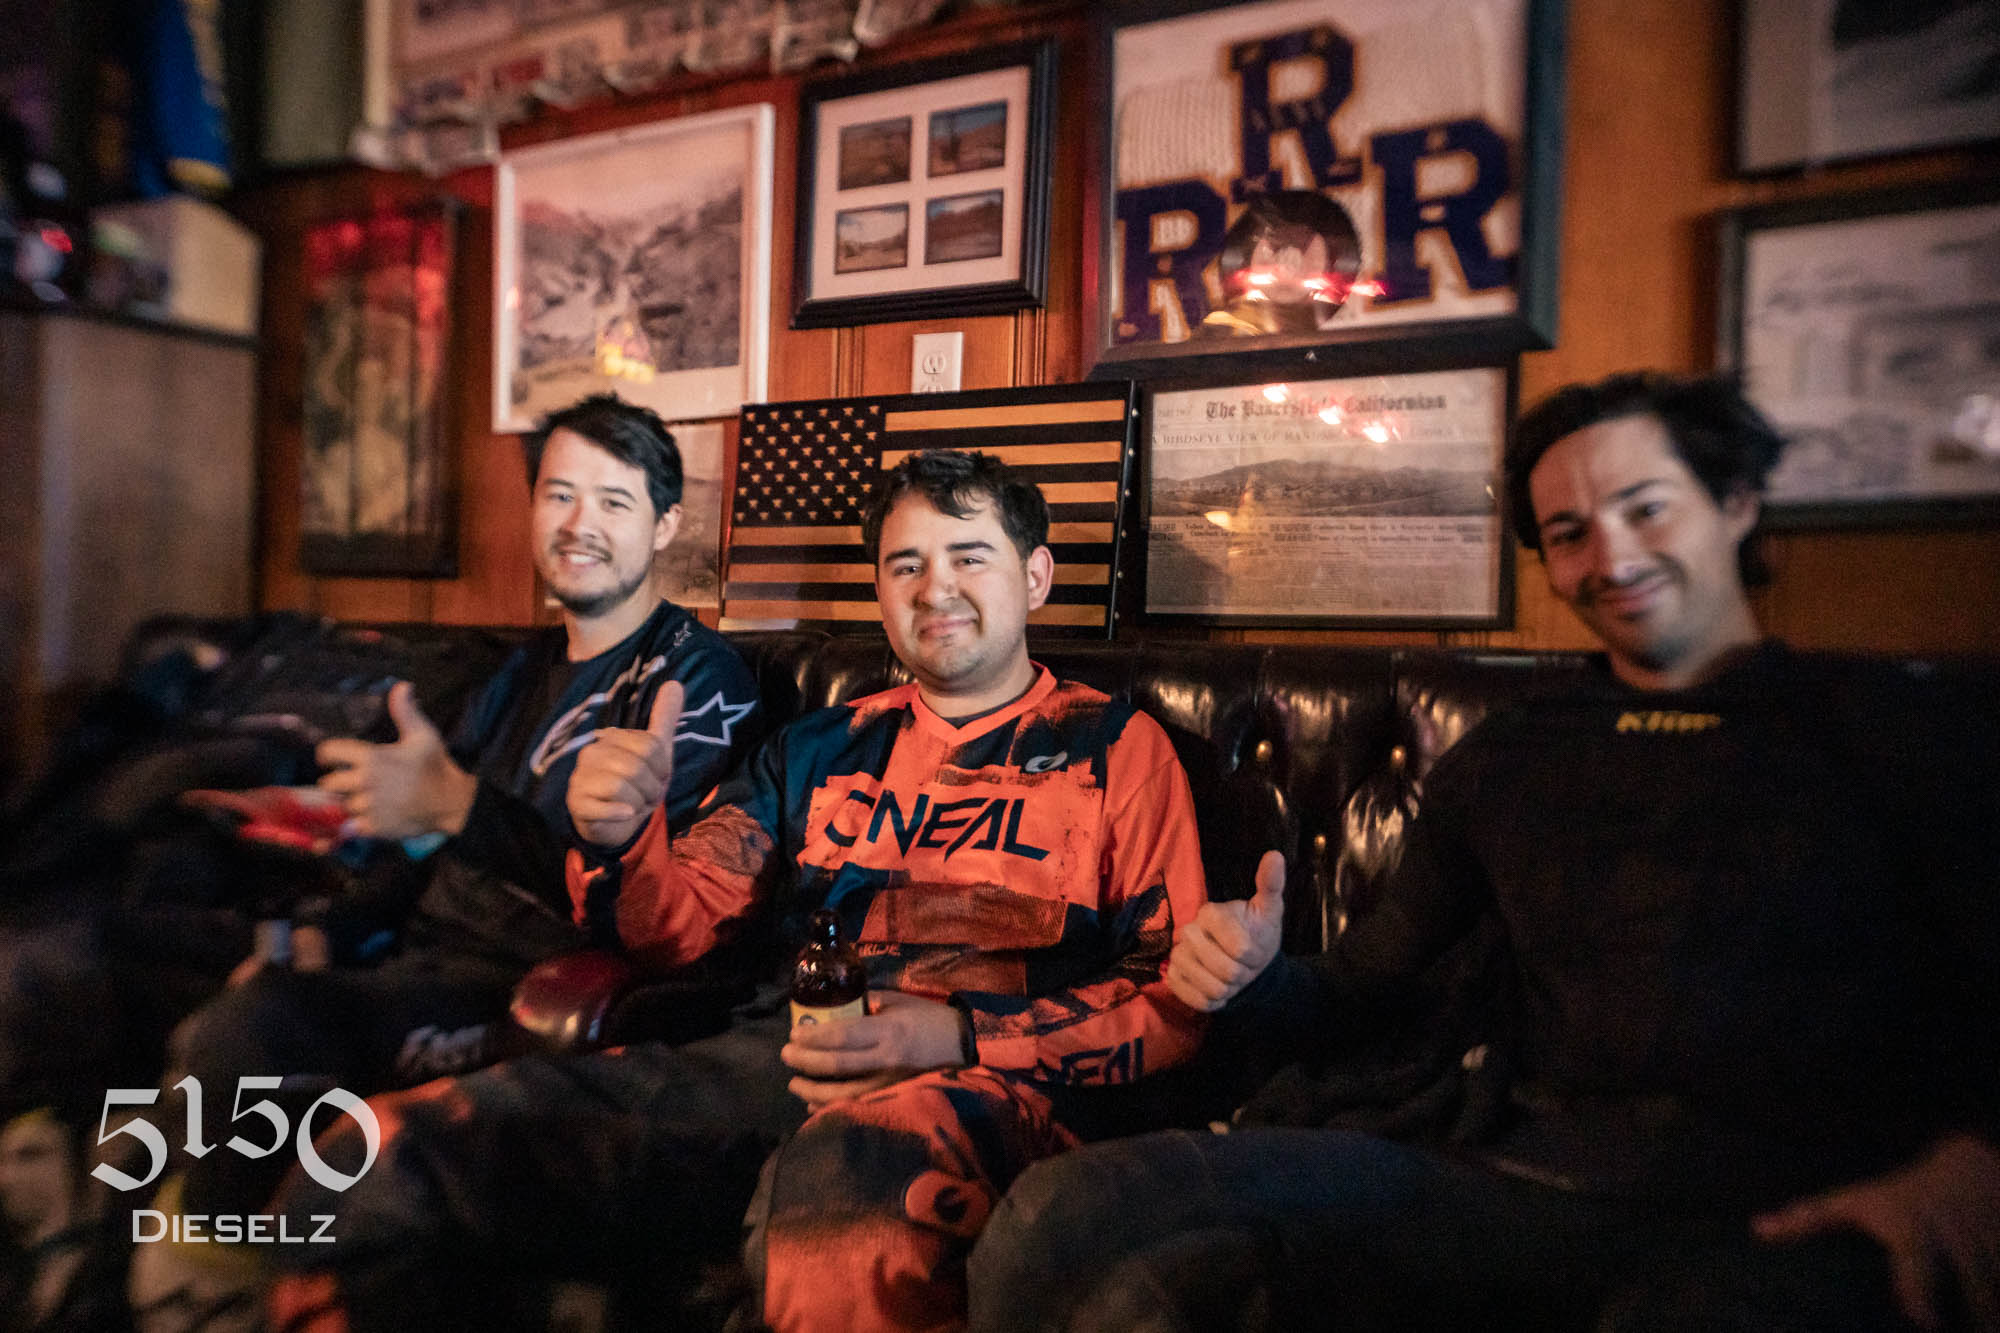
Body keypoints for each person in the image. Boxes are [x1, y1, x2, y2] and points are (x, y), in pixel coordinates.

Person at [966, 372, 2000, 1332]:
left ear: (1733, 503)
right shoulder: (1512, 756)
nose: (1611, 558)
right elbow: (1363, 987)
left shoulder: (1888, 730)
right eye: (1569, 533)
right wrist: (1252, 974)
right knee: (1066, 1215)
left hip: (1781, 1197)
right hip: (1502, 1169)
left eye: (1646, 509)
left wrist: (1975, 1160)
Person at [265, 449, 1211, 1332]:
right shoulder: (818, 748)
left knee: (837, 1222)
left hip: (993, 1099)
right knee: (370, 1154)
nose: (936, 588)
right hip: (773, 1072)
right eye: (906, 565)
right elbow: (678, 932)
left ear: (1035, 577)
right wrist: (629, 838)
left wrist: (959, 1034)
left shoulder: (1118, 749)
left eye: (969, 557)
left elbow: (1173, 1004)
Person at [167, 392, 761, 1216]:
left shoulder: (692, 680)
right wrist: (326, 931)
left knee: (254, 1031)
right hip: (415, 956)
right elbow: (429, 845)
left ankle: (209, 1262)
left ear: (664, 526)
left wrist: (461, 806)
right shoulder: (516, 671)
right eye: (559, 494)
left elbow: (655, 912)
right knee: (135, 953)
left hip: (517, 984)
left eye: (613, 501)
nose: (578, 523)